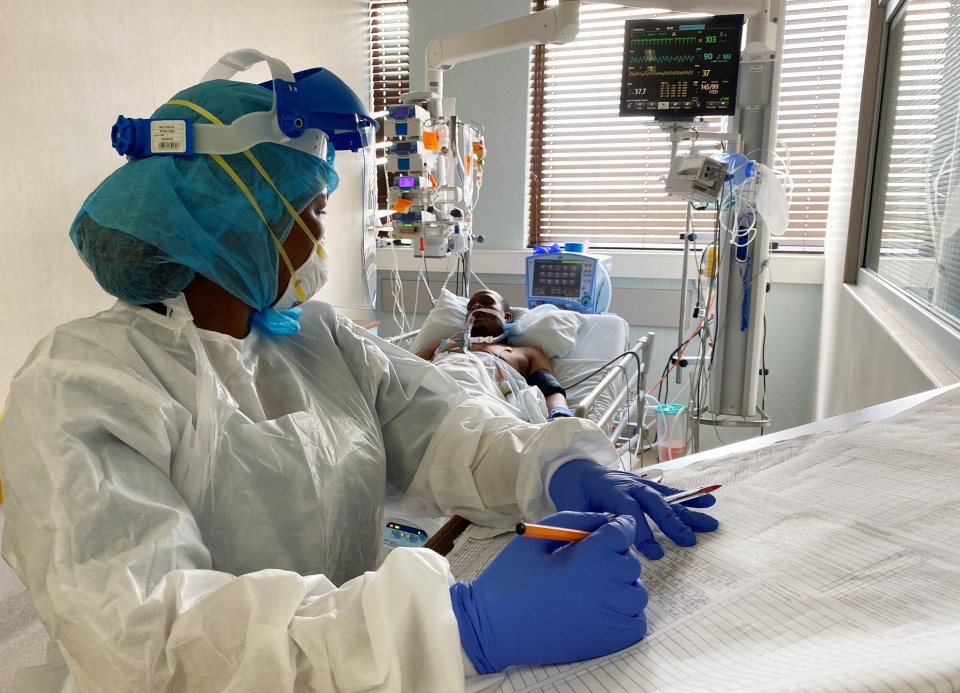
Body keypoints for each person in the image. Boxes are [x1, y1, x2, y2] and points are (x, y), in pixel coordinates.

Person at [0, 50, 719, 692]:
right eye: (311, 210)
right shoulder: (80, 389)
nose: (320, 236)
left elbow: (438, 426)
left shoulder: (317, 338)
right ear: (241, 223)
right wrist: (453, 625)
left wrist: (551, 466)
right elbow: (151, 647)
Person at [416, 289, 576, 421]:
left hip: (481, 404)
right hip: (432, 393)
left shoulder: (526, 353)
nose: (476, 307)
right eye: (470, 307)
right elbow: (409, 369)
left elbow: (550, 389)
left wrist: (560, 415)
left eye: (486, 303)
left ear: (506, 317)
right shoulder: (444, 345)